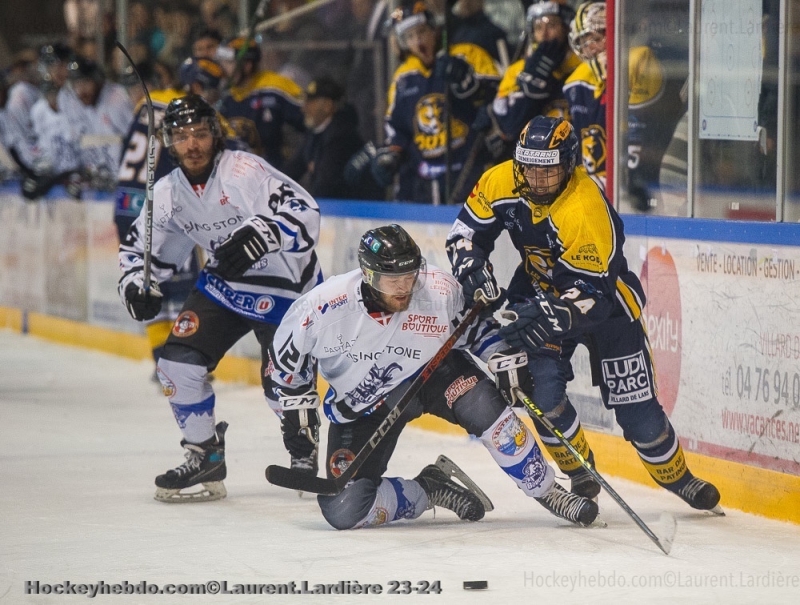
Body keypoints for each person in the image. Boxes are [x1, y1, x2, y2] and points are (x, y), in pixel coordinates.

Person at [445, 115, 722, 513]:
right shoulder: (499, 181)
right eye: (529, 168)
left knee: (639, 415)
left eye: (549, 170)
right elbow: (464, 234)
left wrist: (546, 316)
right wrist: (471, 269)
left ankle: (680, 478)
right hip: (540, 292)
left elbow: (592, 294)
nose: (537, 179)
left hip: (607, 306)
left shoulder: (584, 207)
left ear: (570, 165)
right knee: (542, 395)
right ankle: (580, 473)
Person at [269, 224, 599, 529]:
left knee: (485, 407)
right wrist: (296, 403)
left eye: (409, 276)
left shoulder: (437, 289)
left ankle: (547, 490)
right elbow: (285, 358)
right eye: (391, 280)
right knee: (343, 509)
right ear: (369, 275)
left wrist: (501, 356)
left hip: (436, 374)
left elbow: (477, 329)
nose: (403, 288)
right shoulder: (325, 306)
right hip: (365, 403)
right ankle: (430, 488)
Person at [117, 94, 323, 503]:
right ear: (167, 142)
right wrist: (136, 286)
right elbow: (145, 254)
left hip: (286, 288)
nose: (191, 144)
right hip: (225, 286)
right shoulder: (169, 193)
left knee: (281, 384)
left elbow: (307, 212)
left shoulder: (245, 172)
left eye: (198, 133)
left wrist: (264, 233)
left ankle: (305, 453)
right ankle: (204, 454)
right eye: (180, 136)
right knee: (176, 365)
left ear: (214, 134)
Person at [367, 1, 500, 204]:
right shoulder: (403, 77)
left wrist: (471, 86)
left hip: (472, 171)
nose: (418, 41)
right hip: (426, 183)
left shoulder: (469, 54)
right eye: (409, 37)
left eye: (421, 32)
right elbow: (397, 129)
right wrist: (390, 155)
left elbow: (499, 102)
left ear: (435, 30)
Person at [562, 0, 667, 204]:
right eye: (584, 42)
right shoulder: (575, 82)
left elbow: (638, 131)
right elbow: (585, 146)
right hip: (602, 184)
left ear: (615, 33)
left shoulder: (639, 59)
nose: (590, 48)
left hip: (646, 179)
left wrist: (612, 84)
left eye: (596, 38)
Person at [474, 0, 580, 162]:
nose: (544, 34)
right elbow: (508, 127)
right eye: (538, 27)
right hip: (533, 161)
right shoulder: (517, 70)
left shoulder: (581, 65)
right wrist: (529, 89)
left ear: (566, 28)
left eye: (551, 25)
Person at [285, 76, 383, 200]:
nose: (304, 108)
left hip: (351, 210)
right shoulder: (314, 133)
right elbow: (293, 169)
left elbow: (325, 186)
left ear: (327, 105)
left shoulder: (341, 136)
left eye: (310, 102)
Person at [216, 36, 306, 169]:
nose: (221, 70)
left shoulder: (276, 87)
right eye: (221, 63)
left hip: (278, 175)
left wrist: (294, 167)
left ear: (247, 65)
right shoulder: (226, 97)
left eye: (228, 63)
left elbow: (311, 125)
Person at [59, 57, 133, 191]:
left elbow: (136, 140)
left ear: (98, 81)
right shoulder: (85, 104)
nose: (80, 90)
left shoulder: (117, 100)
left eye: (86, 82)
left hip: (127, 183)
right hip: (105, 182)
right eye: (76, 84)